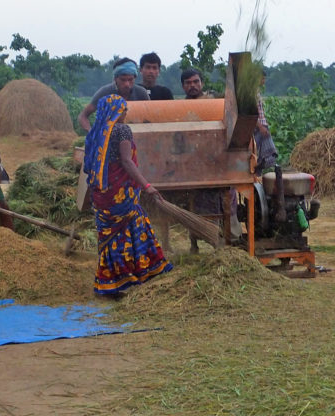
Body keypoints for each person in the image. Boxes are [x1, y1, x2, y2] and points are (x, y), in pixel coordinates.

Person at [83, 94, 172, 295]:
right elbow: (126, 161)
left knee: (112, 233)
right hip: (120, 193)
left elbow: (88, 167)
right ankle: (141, 271)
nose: (125, 113)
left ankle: (113, 280)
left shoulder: (95, 133)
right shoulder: (122, 130)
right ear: (117, 111)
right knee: (133, 224)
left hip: (102, 194)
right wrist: (147, 185)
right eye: (124, 110)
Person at [182, 68, 240, 252]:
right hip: (195, 165)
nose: (192, 86)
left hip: (219, 161)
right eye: (188, 83)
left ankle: (231, 240)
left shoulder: (214, 102)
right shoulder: (180, 108)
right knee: (198, 204)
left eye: (195, 82)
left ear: (202, 83)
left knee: (227, 202)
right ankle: (200, 239)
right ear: (183, 86)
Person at [77, 58, 150, 131]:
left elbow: (151, 117)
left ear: (135, 78)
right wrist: (92, 133)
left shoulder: (141, 93)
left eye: (130, 80)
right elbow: (83, 116)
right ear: (115, 79)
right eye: (123, 80)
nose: (127, 84)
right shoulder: (104, 92)